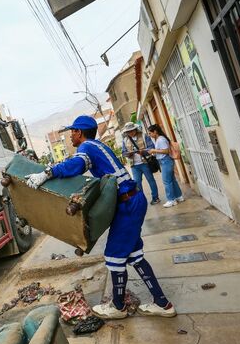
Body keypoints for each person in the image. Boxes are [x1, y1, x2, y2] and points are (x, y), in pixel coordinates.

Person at [25, 115, 176, 319]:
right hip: (132, 200)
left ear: (79, 132)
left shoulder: (86, 148)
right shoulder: (97, 145)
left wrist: (47, 173)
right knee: (134, 255)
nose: (70, 136)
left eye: (72, 132)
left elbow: (76, 166)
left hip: (127, 204)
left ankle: (118, 306)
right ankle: (162, 303)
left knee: (114, 255)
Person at [120, 122, 161, 205]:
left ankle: (155, 198)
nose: (130, 133)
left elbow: (151, 147)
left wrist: (143, 152)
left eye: (131, 130)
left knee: (151, 180)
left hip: (145, 163)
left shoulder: (144, 136)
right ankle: (141, 201)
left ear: (135, 129)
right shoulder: (125, 140)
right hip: (134, 165)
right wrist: (128, 154)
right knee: (137, 183)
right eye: (128, 131)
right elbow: (123, 152)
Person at [147, 124, 185, 208]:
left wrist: (154, 150)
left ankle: (171, 200)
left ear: (155, 132)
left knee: (167, 181)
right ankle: (179, 196)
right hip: (165, 161)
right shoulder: (159, 139)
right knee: (172, 180)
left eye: (150, 133)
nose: (149, 135)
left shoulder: (160, 139)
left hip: (165, 161)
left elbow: (166, 151)